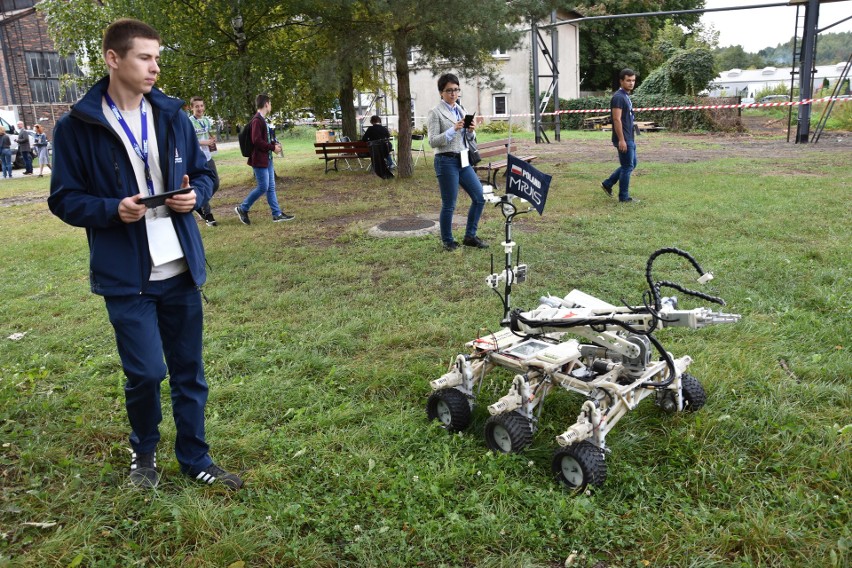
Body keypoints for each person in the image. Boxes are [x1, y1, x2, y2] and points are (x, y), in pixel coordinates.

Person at [47, 18, 242, 490]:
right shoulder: (77, 126)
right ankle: (144, 457)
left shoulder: (172, 116)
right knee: (147, 371)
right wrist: (113, 210)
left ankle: (196, 458)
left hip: (179, 266)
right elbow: (64, 198)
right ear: (114, 59)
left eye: (157, 58)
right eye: (145, 57)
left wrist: (196, 194)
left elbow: (204, 172)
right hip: (126, 274)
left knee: (189, 372)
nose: (155, 67)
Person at [427, 73, 488, 252]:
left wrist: (470, 131)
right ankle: (448, 241)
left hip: (463, 159)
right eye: (449, 90)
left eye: (456, 90)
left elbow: (468, 138)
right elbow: (432, 141)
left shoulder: (461, 110)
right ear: (441, 92)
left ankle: (470, 236)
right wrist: (453, 129)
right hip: (445, 161)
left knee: (479, 197)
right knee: (449, 204)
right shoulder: (435, 112)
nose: (453, 94)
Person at [234, 94, 293, 224]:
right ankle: (242, 208)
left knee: (270, 187)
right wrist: (272, 147)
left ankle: (277, 214)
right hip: (259, 159)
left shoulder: (262, 120)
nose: (270, 106)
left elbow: (263, 138)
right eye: (270, 103)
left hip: (267, 159)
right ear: (266, 104)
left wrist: (273, 143)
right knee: (263, 187)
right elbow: (256, 141)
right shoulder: (257, 120)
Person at [601, 68, 640, 203]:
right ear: (621, 81)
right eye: (628, 80)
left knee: (632, 164)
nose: (631, 83)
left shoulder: (625, 96)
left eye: (633, 80)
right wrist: (621, 140)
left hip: (629, 136)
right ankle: (624, 197)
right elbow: (616, 119)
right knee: (627, 166)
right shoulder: (618, 97)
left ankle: (608, 183)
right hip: (623, 138)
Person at [188, 96, 219, 226]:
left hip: (208, 157)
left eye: (201, 106)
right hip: (197, 159)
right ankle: (208, 214)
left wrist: (212, 140)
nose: (200, 108)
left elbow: (208, 135)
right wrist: (202, 142)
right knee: (203, 184)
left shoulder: (206, 121)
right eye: (197, 106)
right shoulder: (189, 122)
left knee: (215, 183)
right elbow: (189, 140)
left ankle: (198, 203)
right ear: (191, 108)